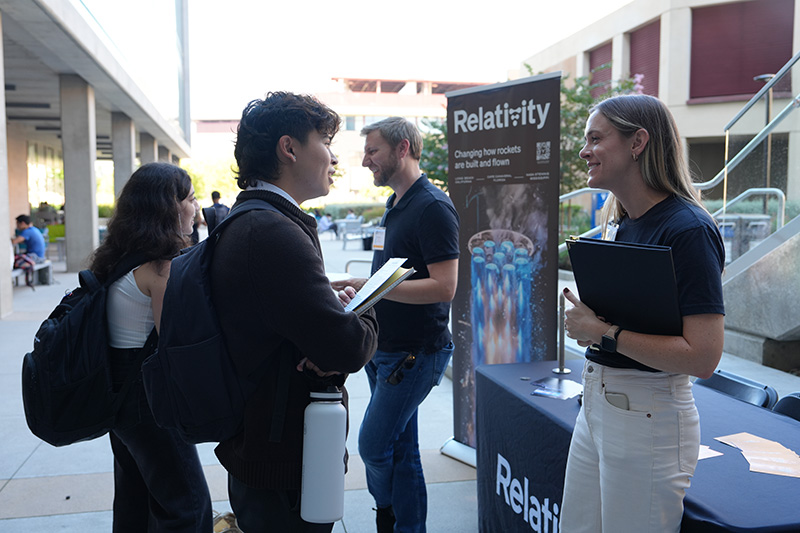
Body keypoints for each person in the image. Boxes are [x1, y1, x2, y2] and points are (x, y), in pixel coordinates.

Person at [211, 92, 378, 532]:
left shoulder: (251, 220)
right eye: (324, 142)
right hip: (284, 461)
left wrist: (322, 303)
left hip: (264, 450)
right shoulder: (272, 233)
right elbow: (348, 348)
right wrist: (366, 304)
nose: (334, 157)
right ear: (289, 148)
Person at [561, 94, 725, 533]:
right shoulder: (625, 220)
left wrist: (603, 331)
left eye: (596, 138)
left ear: (638, 142)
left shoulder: (688, 230)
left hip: (647, 416)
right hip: (597, 404)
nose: (584, 150)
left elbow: (703, 357)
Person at [332, 117, 459, 533]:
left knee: (373, 446)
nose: (366, 160)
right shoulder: (395, 204)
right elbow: (393, 273)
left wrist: (376, 289)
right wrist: (363, 287)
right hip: (383, 349)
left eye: (373, 151)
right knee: (402, 451)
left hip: (414, 353)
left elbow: (444, 287)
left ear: (402, 149)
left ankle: (387, 511)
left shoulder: (433, 207)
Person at [89, 162, 212, 532]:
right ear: (169, 207)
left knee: (135, 501)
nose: (197, 207)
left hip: (119, 393)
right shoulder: (160, 269)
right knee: (187, 506)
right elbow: (175, 344)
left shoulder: (119, 258)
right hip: (148, 400)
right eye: (191, 199)